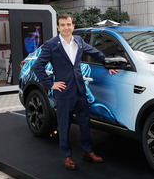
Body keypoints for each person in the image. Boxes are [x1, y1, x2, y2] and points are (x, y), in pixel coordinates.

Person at [33, 13, 118, 170]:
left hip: (80, 89)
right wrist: (50, 84)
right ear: (58, 27)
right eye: (63, 25)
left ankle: (87, 152)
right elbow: (37, 66)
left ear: (73, 26)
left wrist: (108, 64)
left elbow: (94, 52)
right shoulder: (51, 44)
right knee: (64, 125)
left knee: (85, 123)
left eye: (69, 24)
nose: (66, 27)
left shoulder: (78, 40)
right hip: (64, 91)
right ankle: (67, 156)